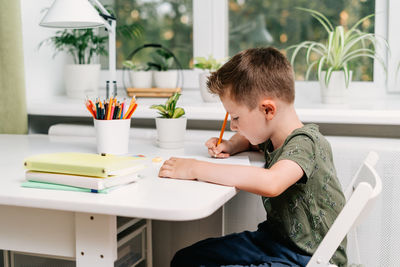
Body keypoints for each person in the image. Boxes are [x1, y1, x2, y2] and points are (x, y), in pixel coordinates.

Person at [159, 47, 347, 267]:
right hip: (273, 242)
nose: (233, 125)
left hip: (311, 258)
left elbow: (271, 182)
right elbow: (250, 140)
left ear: (268, 110)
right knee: (186, 259)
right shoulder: (274, 136)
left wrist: (195, 168)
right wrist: (230, 144)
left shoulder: (306, 143)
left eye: (236, 117)